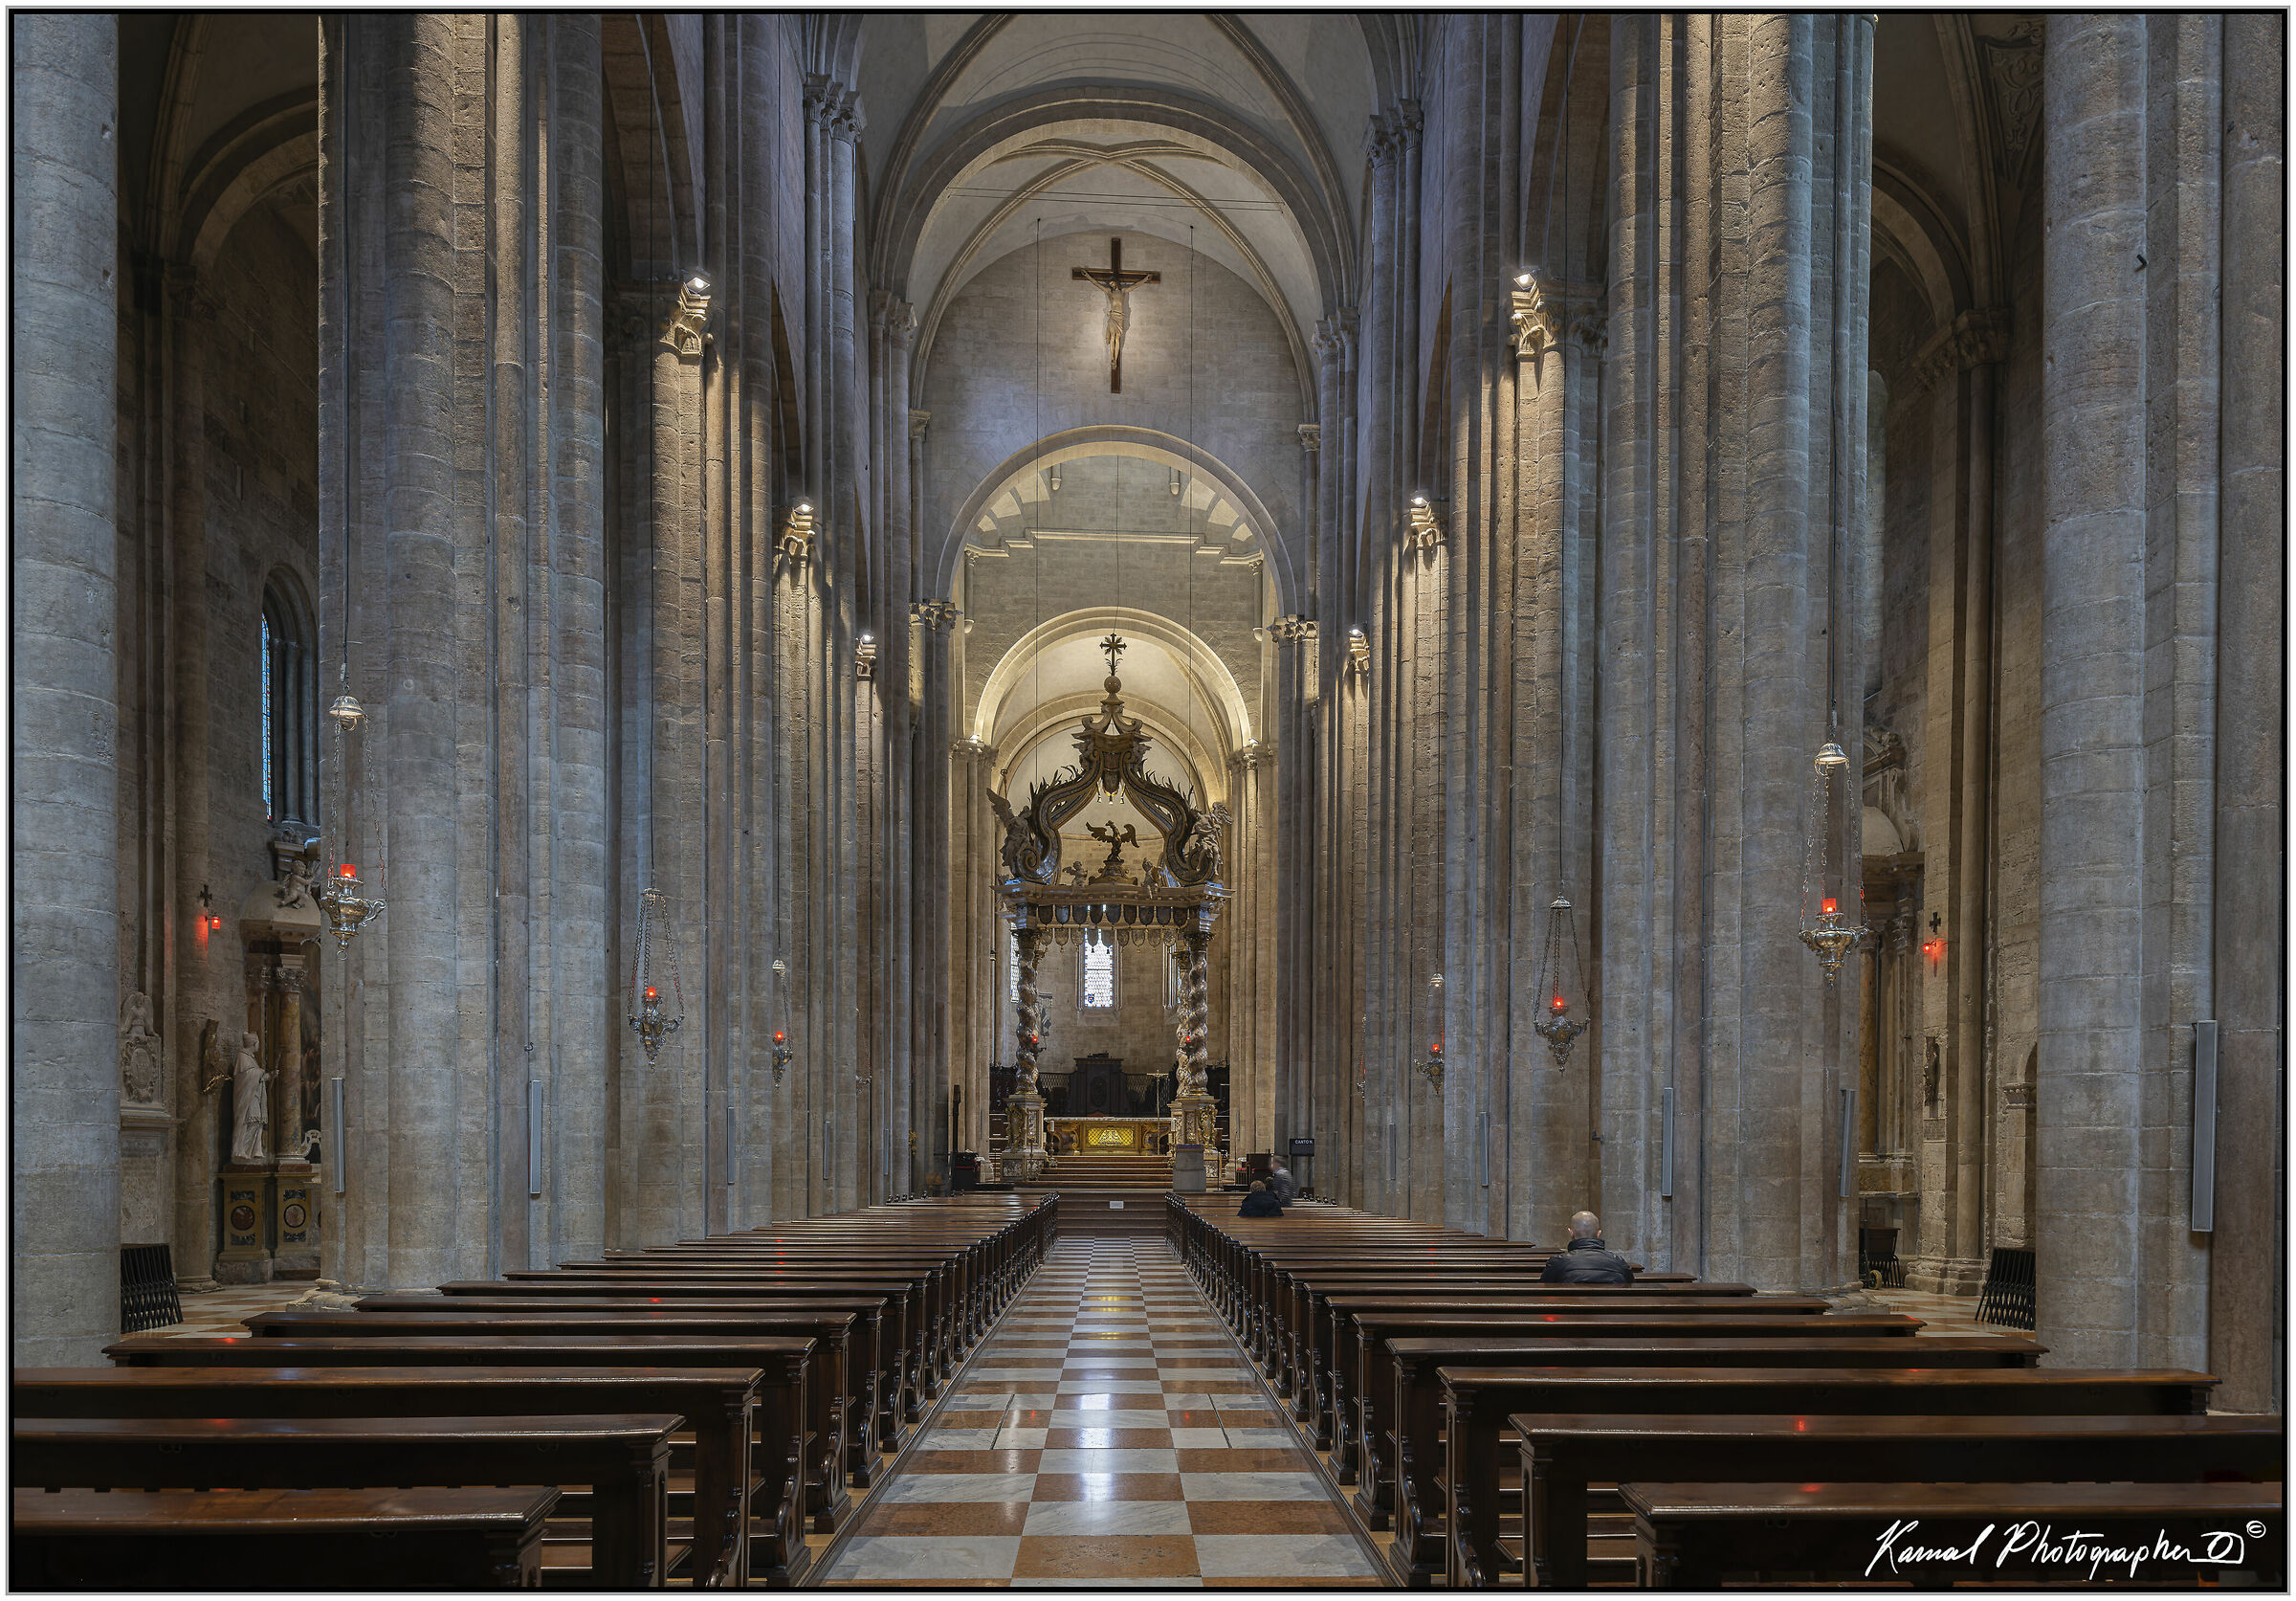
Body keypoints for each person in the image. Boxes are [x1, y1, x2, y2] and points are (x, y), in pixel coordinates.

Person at [1540, 1211, 1635, 1283]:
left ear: (1571, 1233)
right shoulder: (1619, 1262)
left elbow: (1543, 1291)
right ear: (1599, 1234)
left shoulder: (1557, 1263)